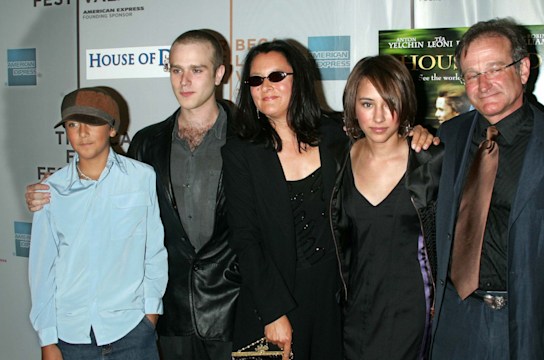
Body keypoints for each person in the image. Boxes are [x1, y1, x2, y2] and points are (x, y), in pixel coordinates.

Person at [26, 29, 240, 360]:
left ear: (219, 73)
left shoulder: (249, 137)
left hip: (234, 306)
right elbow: (109, 187)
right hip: (171, 314)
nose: (184, 81)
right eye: (176, 69)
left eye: (196, 70)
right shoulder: (147, 142)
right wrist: (46, 191)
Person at [222, 40, 434, 360]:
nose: (266, 87)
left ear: (299, 79)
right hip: (270, 303)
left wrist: (416, 131)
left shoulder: (335, 135)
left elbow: (384, 137)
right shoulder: (240, 152)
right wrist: (273, 312)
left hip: (334, 304)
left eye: (277, 76)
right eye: (256, 80)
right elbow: (245, 239)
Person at [430, 18, 544, 359]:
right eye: (471, 74)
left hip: (520, 330)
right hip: (450, 323)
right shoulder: (449, 136)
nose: (483, 84)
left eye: (495, 68)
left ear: (523, 69)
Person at [28, 87, 168, 360]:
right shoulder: (50, 191)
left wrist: (149, 315)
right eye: (72, 124)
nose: (82, 132)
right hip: (70, 337)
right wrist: (47, 340)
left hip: (131, 332)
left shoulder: (142, 178)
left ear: (113, 129)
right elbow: (41, 271)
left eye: (92, 122)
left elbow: (153, 250)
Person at [331, 55, 443, 360]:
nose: (379, 117)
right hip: (353, 310)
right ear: (353, 107)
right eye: (367, 104)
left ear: (404, 104)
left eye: (388, 104)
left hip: (412, 309)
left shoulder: (430, 160)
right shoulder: (339, 159)